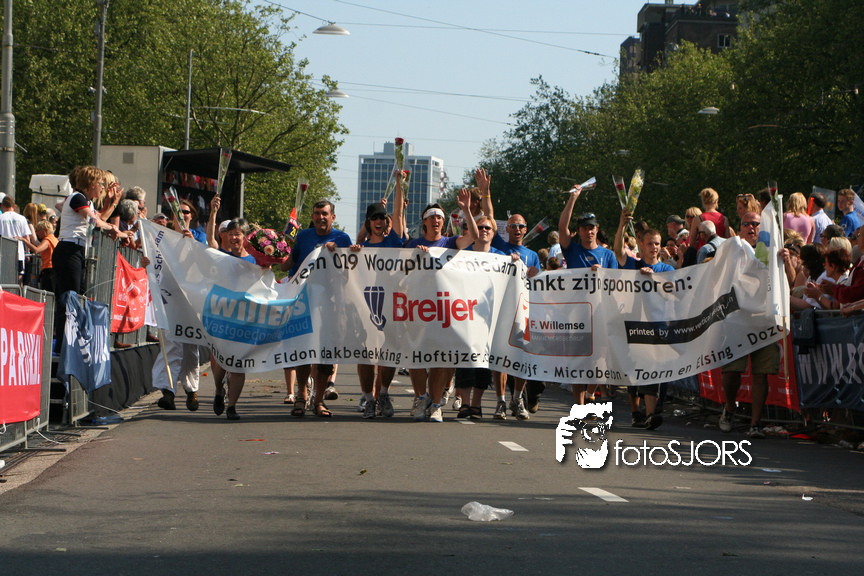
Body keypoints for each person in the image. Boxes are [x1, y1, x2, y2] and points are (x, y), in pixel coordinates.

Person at [404, 188, 475, 422]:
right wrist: (414, 255)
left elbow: (473, 237)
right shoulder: (413, 244)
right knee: (415, 357)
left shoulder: (451, 242)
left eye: (440, 217)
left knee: (439, 359)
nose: (436, 220)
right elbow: (399, 270)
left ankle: (435, 405)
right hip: (417, 308)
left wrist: (466, 210)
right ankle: (420, 397)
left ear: (444, 223)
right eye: (431, 217)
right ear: (424, 222)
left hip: (443, 309)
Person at [279, 199, 352, 417]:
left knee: (326, 355)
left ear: (332, 217)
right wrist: (275, 249)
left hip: (330, 305)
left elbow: (349, 274)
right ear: (312, 216)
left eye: (325, 214)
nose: (321, 217)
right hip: (304, 303)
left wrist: (337, 254)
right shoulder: (302, 236)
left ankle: (318, 400)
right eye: (317, 213)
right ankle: (301, 396)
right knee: (303, 352)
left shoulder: (342, 239)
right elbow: (287, 265)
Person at [348, 173, 407, 419]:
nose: (379, 222)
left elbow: (398, 214)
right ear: (368, 222)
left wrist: (399, 184)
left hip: (390, 305)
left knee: (389, 352)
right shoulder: (361, 249)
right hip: (366, 306)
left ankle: (383, 393)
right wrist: (352, 253)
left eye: (382, 218)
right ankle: (368, 398)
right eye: (374, 219)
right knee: (365, 354)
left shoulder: (393, 242)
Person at [52, 166, 129, 350]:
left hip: (76, 251)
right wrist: (113, 228)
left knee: (76, 296)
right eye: (100, 183)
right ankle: (63, 345)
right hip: (68, 250)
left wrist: (111, 203)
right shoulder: (77, 198)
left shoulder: (86, 201)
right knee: (69, 297)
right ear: (91, 184)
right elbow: (94, 220)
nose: (102, 187)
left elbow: (99, 217)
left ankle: (70, 342)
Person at [719, 212, 779, 439]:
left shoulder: (772, 251)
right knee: (732, 371)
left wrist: (785, 262)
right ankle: (730, 407)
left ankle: (755, 423)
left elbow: (790, 280)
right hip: (738, 319)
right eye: (747, 224)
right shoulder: (732, 249)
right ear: (740, 228)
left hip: (764, 320)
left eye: (756, 224)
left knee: (761, 374)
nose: (751, 227)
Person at [613, 209, 674, 429]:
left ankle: (651, 412)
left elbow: (673, 292)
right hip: (637, 325)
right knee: (642, 370)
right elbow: (618, 251)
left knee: (657, 371)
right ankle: (642, 412)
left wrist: (654, 278)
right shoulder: (633, 264)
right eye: (650, 243)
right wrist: (622, 224)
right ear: (641, 244)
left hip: (659, 325)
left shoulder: (666, 268)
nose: (654, 247)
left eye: (657, 243)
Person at [558, 185, 617, 405]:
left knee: (600, 358)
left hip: (600, 313)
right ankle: (580, 405)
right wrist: (573, 198)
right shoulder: (572, 249)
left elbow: (616, 284)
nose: (588, 231)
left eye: (591, 228)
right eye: (583, 228)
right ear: (579, 231)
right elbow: (562, 227)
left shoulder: (608, 255)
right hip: (576, 314)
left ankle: (591, 392)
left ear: (597, 229)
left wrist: (602, 274)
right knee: (578, 361)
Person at [0, 195, 37, 283]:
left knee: (4, 278)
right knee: (19, 278)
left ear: (2, 206)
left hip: (4, 254)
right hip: (19, 253)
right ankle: (19, 291)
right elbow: (26, 236)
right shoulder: (22, 218)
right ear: (14, 206)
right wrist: (27, 252)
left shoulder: (1, 218)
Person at [21, 220, 58, 293]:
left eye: (38, 230)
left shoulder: (47, 240)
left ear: (45, 230)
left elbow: (36, 250)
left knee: (47, 293)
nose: (37, 233)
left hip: (49, 270)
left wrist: (24, 241)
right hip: (55, 268)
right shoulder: (54, 238)